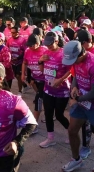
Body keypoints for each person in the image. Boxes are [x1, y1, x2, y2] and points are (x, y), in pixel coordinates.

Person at [61, 41, 94, 172]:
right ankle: (76, 160)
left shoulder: (92, 64)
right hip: (81, 102)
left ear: (82, 53)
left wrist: (77, 99)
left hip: (91, 103)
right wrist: (74, 86)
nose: (73, 62)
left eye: (75, 59)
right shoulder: (75, 61)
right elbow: (75, 75)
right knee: (72, 130)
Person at [38, 32, 71, 148]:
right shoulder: (46, 52)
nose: (48, 47)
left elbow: (71, 70)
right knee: (48, 113)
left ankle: (71, 132)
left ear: (57, 41)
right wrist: (40, 61)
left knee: (59, 114)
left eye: (50, 44)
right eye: (47, 45)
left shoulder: (64, 53)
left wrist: (60, 80)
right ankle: (50, 138)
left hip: (62, 90)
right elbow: (42, 70)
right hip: (48, 89)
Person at [22, 34, 48, 132]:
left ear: (37, 44)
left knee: (38, 100)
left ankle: (34, 126)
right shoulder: (27, 50)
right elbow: (25, 63)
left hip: (45, 80)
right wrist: (24, 75)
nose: (29, 47)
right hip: (34, 78)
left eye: (31, 45)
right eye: (28, 45)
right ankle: (49, 111)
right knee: (42, 98)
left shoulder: (45, 50)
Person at [6, 27, 27, 94]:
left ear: (18, 32)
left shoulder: (23, 40)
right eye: (11, 32)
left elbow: (25, 51)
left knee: (18, 75)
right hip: (12, 61)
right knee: (14, 76)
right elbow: (7, 49)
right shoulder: (9, 40)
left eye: (14, 32)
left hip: (20, 62)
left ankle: (20, 91)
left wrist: (18, 58)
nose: (12, 34)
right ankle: (24, 85)